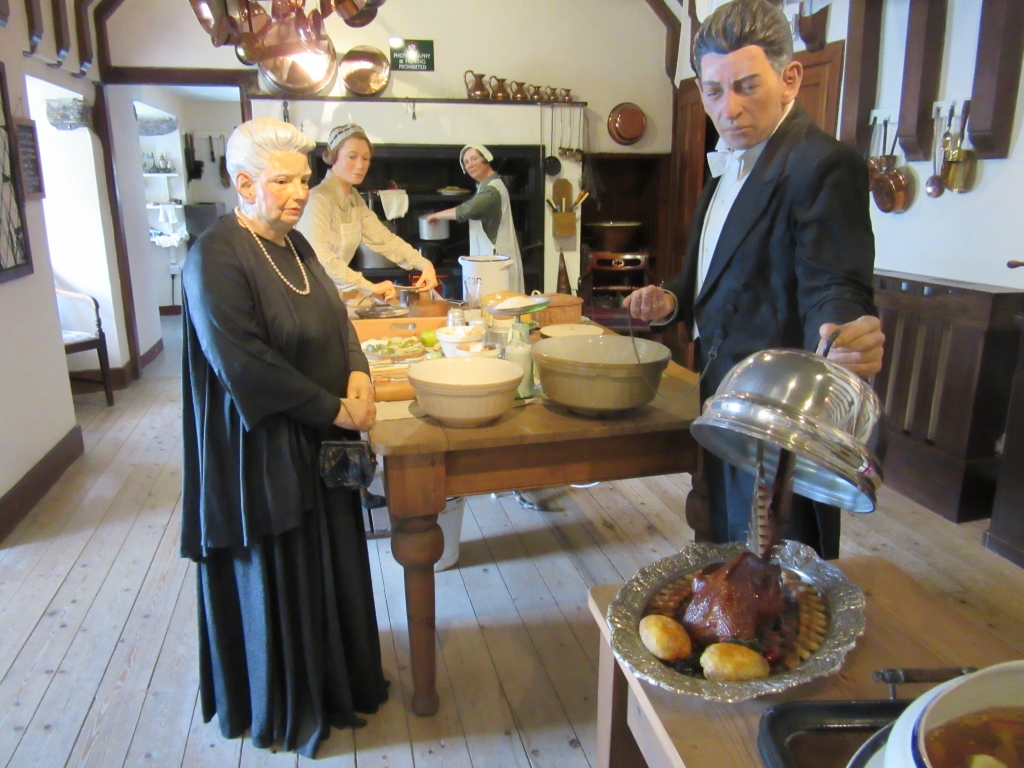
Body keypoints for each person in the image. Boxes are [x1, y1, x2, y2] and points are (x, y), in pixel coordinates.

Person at [624, 0, 885, 560]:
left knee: (777, 560)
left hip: (779, 414)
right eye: (714, 92)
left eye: (747, 87)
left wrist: (842, 332)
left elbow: (834, 283)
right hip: (721, 395)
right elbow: (705, 277)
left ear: (790, 79)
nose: (729, 109)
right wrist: (669, 299)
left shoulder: (823, 165)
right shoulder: (725, 172)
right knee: (722, 538)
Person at [180, 117, 389, 758]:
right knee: (285, 569)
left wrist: (358, 372)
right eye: (282, 181)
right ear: (244, 184)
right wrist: (335, 408)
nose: (299, 193)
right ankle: (292, 700)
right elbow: (243, 363)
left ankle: (338, 680)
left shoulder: (295, 244)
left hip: (321, 436)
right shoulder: (215, 256)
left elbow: (337, 317)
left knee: (332, 560)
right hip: (261, 445)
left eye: (302, 180)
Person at [295, 123, 438, 301]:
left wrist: (424, 264)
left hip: (330, 294)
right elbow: (321, 258)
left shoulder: (354, 198)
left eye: (365, 158)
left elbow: (384, 239)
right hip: (306, 296)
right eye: (352, 157)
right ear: (334, 156)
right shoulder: (318, 198)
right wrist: (369, 287)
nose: (360, 165)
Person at [426, 144, 525, 293]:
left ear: (486, 159)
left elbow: (468, 210)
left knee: (497, 302)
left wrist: (436, 215)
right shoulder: (483, 186)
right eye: (466, 162)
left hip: (496, 261)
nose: (470, 165)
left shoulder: (493, 189)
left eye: (474, 159)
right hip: (491, 260)